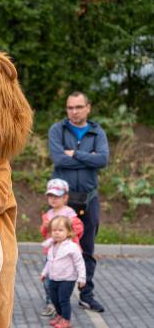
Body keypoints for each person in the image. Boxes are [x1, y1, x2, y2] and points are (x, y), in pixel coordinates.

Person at [48, 91, 109, 312]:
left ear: (88, 107)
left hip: (88, 200)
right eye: (70, 107)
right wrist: (87, 157)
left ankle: (86, 295)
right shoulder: (58, 130)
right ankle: (52, 298)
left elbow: (102, 160)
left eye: (78, 107)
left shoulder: (97, 131)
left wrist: (74, 154)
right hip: (61, 202)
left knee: (87, 250)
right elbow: (58, 159)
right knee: (56, 249)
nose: (74, 111)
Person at [40, 178, 84, 317]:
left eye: (57, 196)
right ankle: (50, 303)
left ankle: (61, 304)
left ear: (65, 197)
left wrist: (66, 228)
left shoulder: (70, 213)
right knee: (48, 281)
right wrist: (45, 227)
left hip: (65, 255)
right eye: (50, 196)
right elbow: (44, 233)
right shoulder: (48, 214)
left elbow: (78, 229)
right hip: (52, 253)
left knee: (62, 281)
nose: (53, 199)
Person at [40, 216, 86, 328]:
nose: (57, 233)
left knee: (63, 300)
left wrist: (82, 278)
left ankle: (66, 320)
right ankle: (60, 316)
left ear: (69, 232)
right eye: (54, 230)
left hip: (67, 279)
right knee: (54, 299)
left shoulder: (72, 247)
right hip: (54, 278)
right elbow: (50, 261)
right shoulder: (52, 246)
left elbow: (80, 263)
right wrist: (44, 273)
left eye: (60, 230)